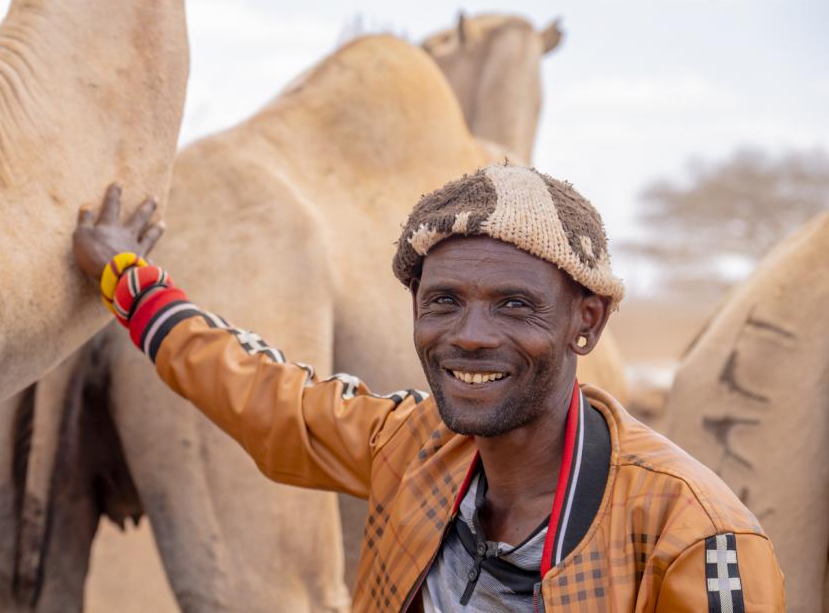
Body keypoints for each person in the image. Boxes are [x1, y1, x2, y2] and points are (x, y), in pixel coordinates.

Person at [72, 166, 784, 612]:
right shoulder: (412, 445)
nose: (469, 335)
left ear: (585, 322)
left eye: (514, 304)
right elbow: (259, 389)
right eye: (443, 301)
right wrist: (125, 278)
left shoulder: (691, 533)